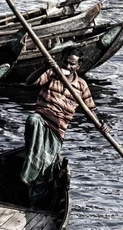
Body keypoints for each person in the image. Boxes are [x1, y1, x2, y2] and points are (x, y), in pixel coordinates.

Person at [21, 47, 104, 204]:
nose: (67, 66)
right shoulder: (51, 73)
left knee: (46, 164)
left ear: (78, 66)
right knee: (33, 120)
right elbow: (29, 82)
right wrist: (45, 67)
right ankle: (29, 177)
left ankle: (36, 196)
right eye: (65, 62)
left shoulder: (81, 85)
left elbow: (91, 111)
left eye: (72, 64)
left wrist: (101, 125)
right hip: (41, 121)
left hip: (57, 130)